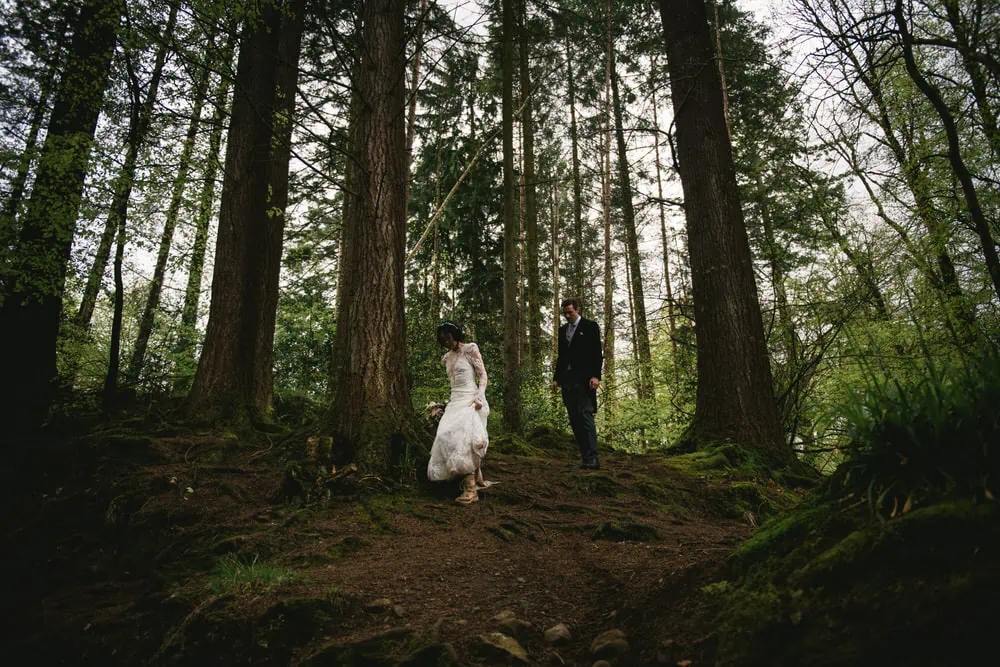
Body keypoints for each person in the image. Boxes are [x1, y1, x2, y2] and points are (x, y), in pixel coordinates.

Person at [427, 322, 494, 503]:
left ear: (455, 335)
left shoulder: (470, 349)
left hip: (471, 399)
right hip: (454, 401)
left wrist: (480, 396)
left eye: (448, 338)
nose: (446, 342)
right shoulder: (446, 357)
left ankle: (470, 489)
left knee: (464, 439)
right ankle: (465, 478)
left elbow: (483, 375)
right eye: (443, 340)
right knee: (443, 435)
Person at [551, 299, 603, 470]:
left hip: (585, 380)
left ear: (578, 310)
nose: (567, 316)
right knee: (574, 419)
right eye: (565, 313)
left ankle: (593, 458)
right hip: (567, 381)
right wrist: (556, 378)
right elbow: (562, 356)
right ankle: (585, 458)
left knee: (585, 416)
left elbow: (596, 352)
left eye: (570, 312)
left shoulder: (590, 326)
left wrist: (596, 376)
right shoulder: (562, 330)